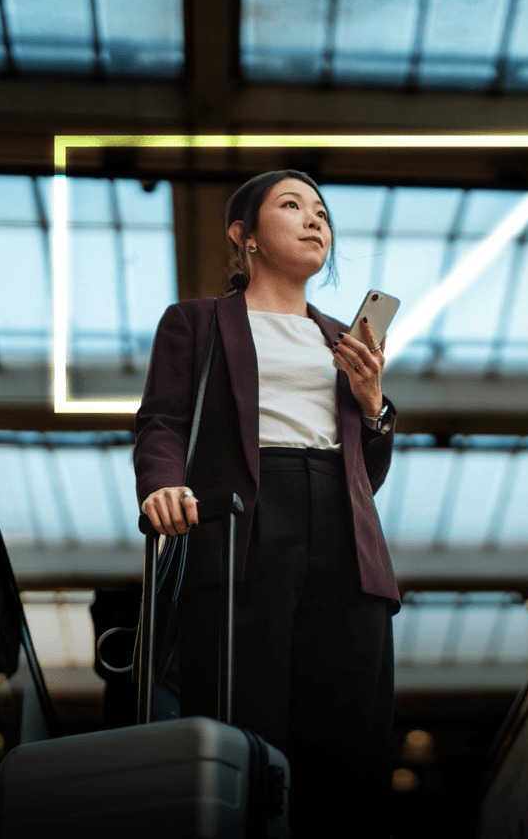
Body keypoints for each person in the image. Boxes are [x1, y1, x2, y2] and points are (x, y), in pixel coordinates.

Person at [134, 169, 400, 837]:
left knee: (348, 734)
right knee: (243, 717)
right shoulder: (196, 321)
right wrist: (162, 484)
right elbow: (163, 419)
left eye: (322, 212)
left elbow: (367, 475)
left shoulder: (344, 339)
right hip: (243, 527)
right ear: (243, 235)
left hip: (345, 537)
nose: (315, 220)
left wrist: (373, 406)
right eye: (291, 206)